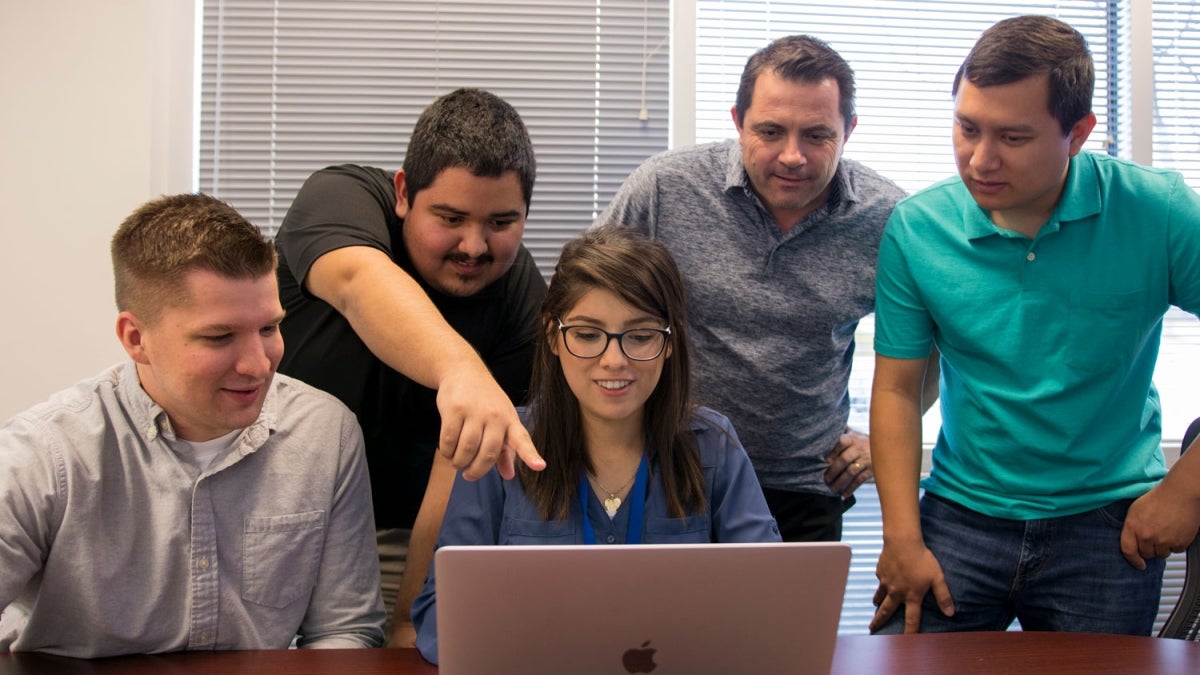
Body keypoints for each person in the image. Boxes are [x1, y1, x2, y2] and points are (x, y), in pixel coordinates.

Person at [870, 15, 1200, 636]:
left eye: (1013, 138)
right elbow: (895, 389)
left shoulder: (1158, 211)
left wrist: (1187, 488)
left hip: (1107, 524)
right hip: (960, 517)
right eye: (967, 128)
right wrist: (901, 538)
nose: (980, 159)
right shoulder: (919, 227)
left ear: (1077, 134)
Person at [0, 193, 386, 657]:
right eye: (219, 337)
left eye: (268, 329)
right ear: (136, 338)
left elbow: (345, 631)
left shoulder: (326, 432)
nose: (257, 365)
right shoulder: (46, 453)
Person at [599, 35, 929, 541]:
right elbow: (584, 301)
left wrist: (878, 445)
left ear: (850, 131)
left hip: (807, 486)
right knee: (657, 622)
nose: (792, 156)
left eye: (817, 135)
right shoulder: (665, 189)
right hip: (671, 470)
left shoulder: (888, 219)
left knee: (791, 624)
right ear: (737, 121)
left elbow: (938, 343)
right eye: (771, 131)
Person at [410, 225, 782, 663]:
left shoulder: (714, 448)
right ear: (553, 335)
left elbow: (772, 606)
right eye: (587, 334)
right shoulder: (504, 448)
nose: (613, 360)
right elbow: (440, 616)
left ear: (669, 342)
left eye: (640, 335)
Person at [273, 88, 549, 642]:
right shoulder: (341, 197)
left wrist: (408, 619)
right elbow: (356, 282)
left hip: (405, 536)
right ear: (403, 192)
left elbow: (464, 459)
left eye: (501, 222)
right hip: (277, 526)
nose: (474, 246)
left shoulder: (520, 296)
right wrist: (462, 372)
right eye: (450, 217)